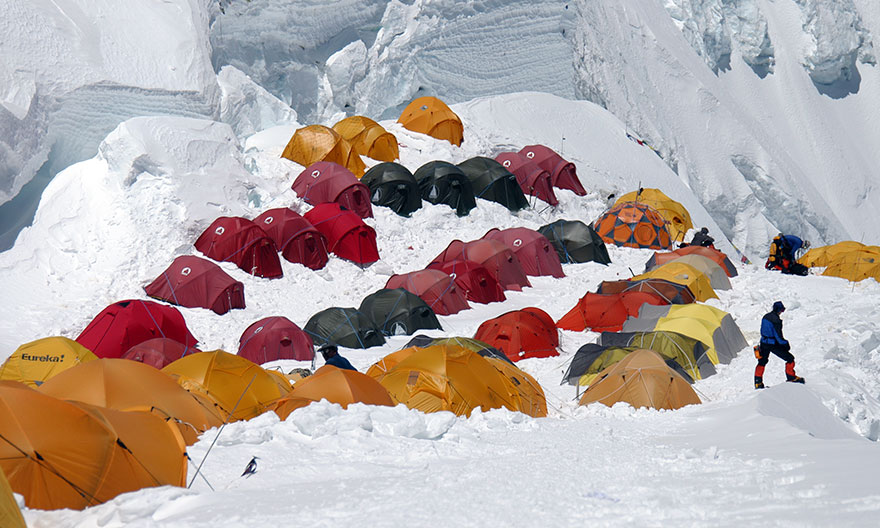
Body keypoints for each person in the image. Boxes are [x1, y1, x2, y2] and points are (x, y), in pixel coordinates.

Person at [754, 301, 804, 388]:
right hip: (772, 344)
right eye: (782, 310)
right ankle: (791, 377)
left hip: (763, 342)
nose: (781, 312)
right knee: (790, 359)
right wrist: (785, 344)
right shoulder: (776, 320)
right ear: (779, 310)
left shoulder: (766, 316)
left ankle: (758, 383)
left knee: (762, 362)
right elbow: (778, 336)